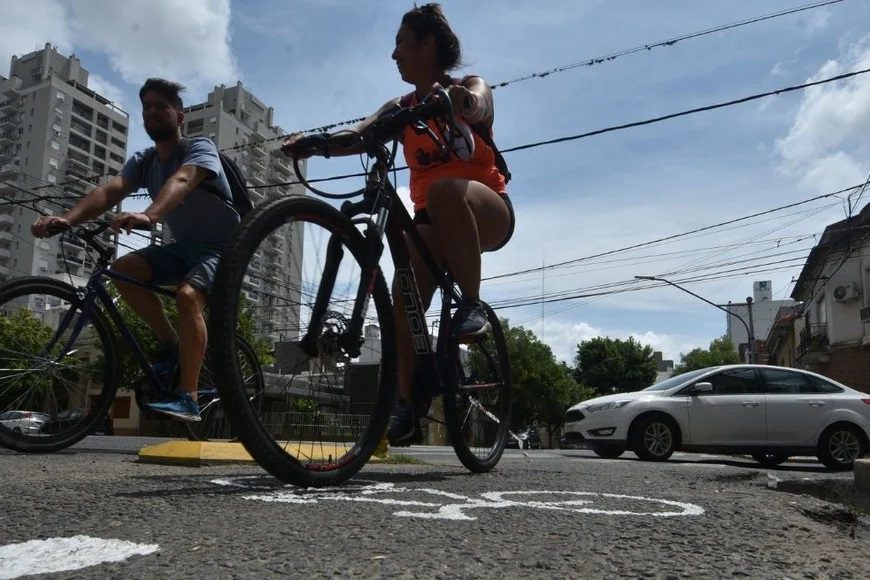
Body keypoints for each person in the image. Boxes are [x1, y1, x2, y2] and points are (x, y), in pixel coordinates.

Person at [282, 4, 515, 445]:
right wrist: (313, 145)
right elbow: (362, 133)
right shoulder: (401, 107)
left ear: (427, 44)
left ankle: (471, 304)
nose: (393, 55)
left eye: (400, 43)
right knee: (401, 304)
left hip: (485, 209)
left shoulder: (464, 87)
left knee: (446, 190)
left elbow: (480, 101)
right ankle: (409, 404)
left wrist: (466, 103)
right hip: (431, 223)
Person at [32, 78, 240, 421]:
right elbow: (110, 191)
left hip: (224, 248)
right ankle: (173, 345)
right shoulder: (145, 161)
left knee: (188, 298)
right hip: (183, 247)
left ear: (179, 115)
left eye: (161, 106)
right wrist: (67, 220)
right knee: (124, 271)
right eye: (146, 107)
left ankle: (188, 398)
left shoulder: (198, 147)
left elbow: (184, 181)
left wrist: (149, 214)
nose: (152, 112)